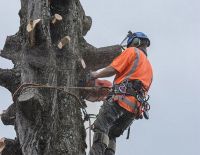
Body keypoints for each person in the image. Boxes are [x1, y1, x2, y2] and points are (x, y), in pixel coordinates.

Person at [89, 32, 153, 155]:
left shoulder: (132, 52)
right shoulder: (149, 68)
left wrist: (94, 75)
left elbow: (112, 69)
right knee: (112, 134)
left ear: (136, 42)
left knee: (101, 128)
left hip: (120, 100)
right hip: (134, 110)